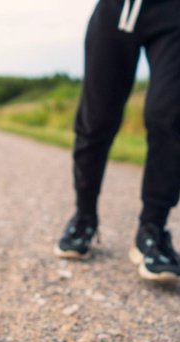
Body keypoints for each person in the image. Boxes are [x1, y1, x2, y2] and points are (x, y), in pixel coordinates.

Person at [55, 0, 180, 281]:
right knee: (96, 119)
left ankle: (153, 229)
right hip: (115, 10)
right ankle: (84, 218)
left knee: (170, 115)